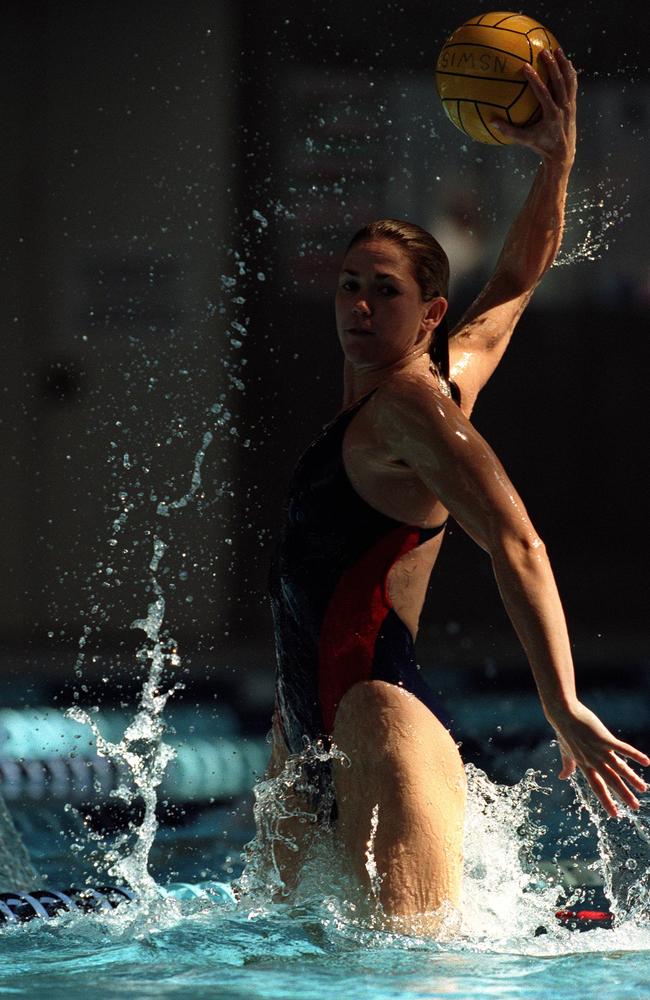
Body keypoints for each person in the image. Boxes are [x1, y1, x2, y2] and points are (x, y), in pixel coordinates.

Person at [262, 49, 649, 928]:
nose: (360, 306)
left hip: (379, 729)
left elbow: (517, 541)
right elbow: (514, 282)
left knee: (404, 976)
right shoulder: (425, 383)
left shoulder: (417, 409)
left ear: (428, 313)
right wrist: (557, 162)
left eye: (385, 292)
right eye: (350, 286)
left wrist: (564, 704)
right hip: (305, 732)